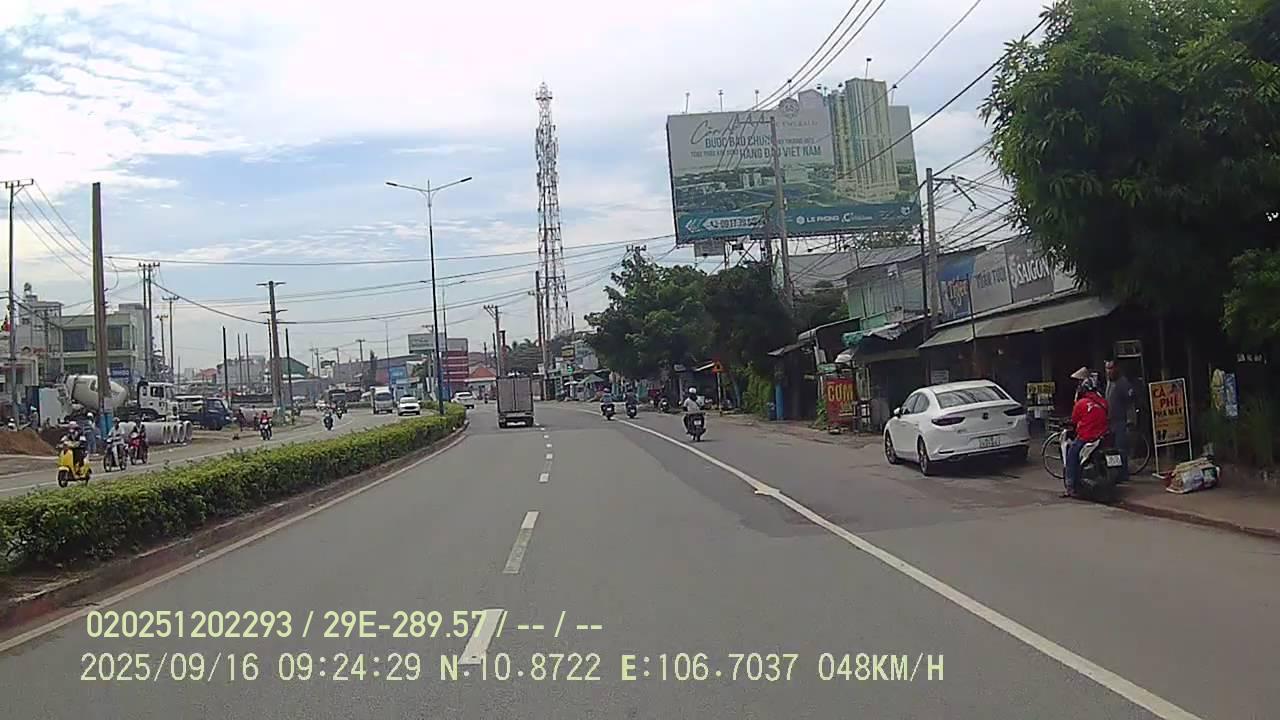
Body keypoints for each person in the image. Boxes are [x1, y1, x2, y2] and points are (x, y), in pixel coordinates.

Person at [1064, 375, 1109, 498]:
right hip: (1103, 436)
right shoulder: (1103, 402)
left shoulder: (1081, 403)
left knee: (1071, 455)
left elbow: (1074, 420)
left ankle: (1070, 486)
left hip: (1087, 438)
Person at [1104, 360, 1135, 482]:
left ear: (1116, 368)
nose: (1109, 371)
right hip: (1110, 421)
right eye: (1107, 368)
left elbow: (1130, 402)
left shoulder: (1123, 383)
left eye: (1111, 368)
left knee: (1120, 449)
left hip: (1121, 421)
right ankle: (1115, 473)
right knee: (1112, 450)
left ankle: (1123, 474)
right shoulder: (1109, 382)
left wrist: (1130, 419)